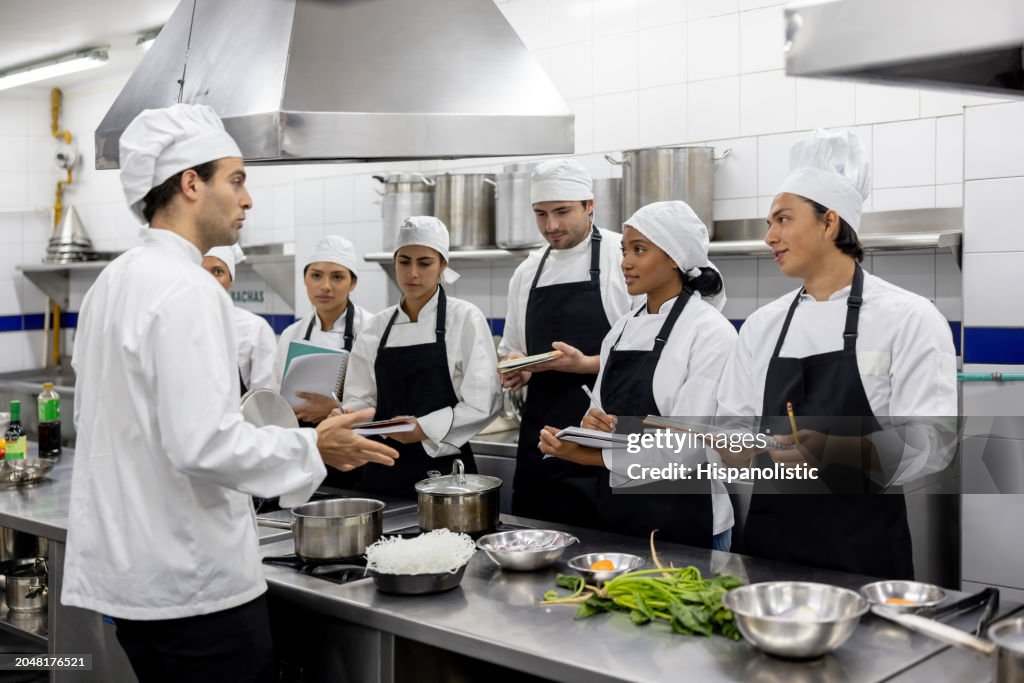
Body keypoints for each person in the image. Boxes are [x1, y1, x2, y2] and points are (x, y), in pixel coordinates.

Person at [62, 103, 398, 683]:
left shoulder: (112, 282)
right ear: (192, 184)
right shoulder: (188, 289)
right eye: (236, 179)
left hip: (136, 579)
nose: (247, 200)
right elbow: (203, 445)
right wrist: (314, 448)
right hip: (194, 585)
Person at [715, 129, 958, 579]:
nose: (769, 236)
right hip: (770, 552)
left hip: (862, 554)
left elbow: (934, 442)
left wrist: (836, 450)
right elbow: (732, 427)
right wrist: (730, 445)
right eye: (769, 223)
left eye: (782, 220)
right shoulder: (763, 327)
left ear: (829, 222)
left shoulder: (909, 318)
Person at [538, 201, 736, 549]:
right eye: (624, 250)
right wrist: (590, 427)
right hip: (620, 513)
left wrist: (584, 455)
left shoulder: (710, 332)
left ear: (674, 257)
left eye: (639, 250)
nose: (625, 262)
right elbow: (597, 411)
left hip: (686, 518)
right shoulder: (622, 328)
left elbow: (686, 447)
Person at [498, 159, 635, 527]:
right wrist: (517, 368)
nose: (551, 226)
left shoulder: (621, 257)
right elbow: (513, 346)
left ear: (590, 205)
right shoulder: (527, 271)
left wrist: (585, 364)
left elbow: (647, 360)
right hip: (542, 440)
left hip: (603, 439)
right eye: (540, 214)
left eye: (562, 212)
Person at [344, 216, 500, 497]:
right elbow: (360, 398)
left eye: (425, 263)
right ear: (395, 262)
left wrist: (423, 428)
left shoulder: (464, 318)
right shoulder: (376, 327)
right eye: (404, 262)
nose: (413, 273)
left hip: (447, 476)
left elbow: (484, 402)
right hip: (382, 468)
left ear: (443, 265)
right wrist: (348, 416)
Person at [274, 235, 371, 425]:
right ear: (305, 279)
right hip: (301, 436)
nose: (325, 286)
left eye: (337, 277)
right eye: (316, 276)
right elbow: (275, 394)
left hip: (352, 440)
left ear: (352, 283)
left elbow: (381, 400)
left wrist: (334, 409)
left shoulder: (371, 329)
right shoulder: (292, 334)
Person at [203, 244, 278, 394]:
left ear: (231, 280)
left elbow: (265, 400)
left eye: (218, 272)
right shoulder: (178, 324)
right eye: (201, 271)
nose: (208, 279)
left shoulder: (254, 328)